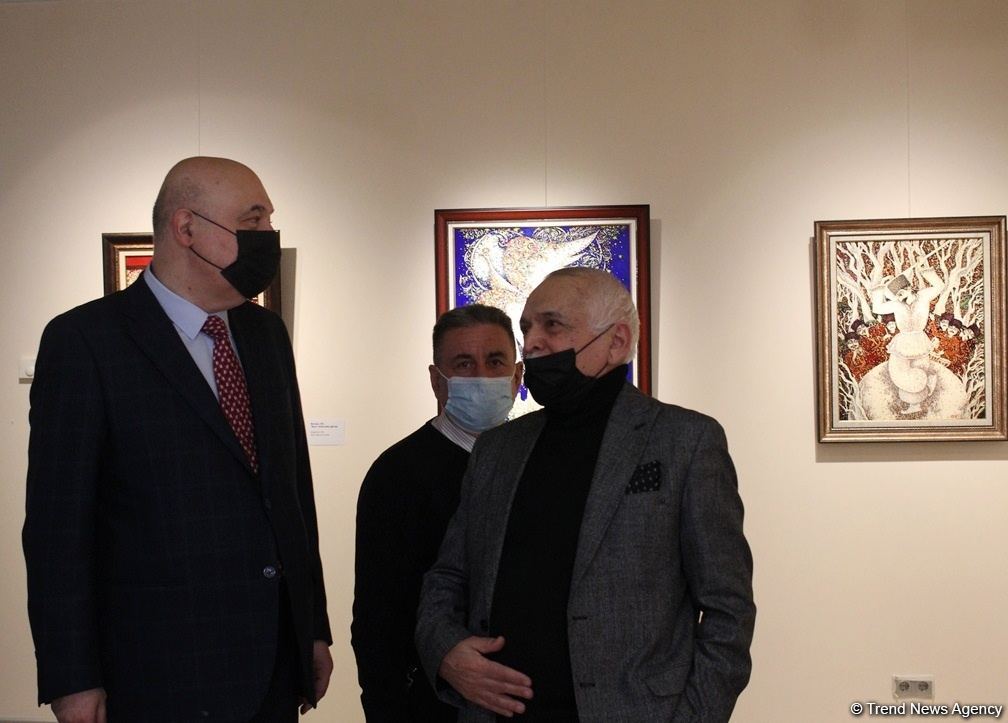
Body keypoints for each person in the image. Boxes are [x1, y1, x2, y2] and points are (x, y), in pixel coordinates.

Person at [23, 157, 333, 722]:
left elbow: (293, 494)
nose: (267, 235)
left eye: (269, 221)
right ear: (186, 228)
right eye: (253, 220)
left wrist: (311, 627)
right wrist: (73, 678)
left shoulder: (265, 334)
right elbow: (57, 532)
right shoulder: (85, 341)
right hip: (157, 673)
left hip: (272, 666)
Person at [416, 267, 755, 722]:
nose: (533, 343)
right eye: (526, 329)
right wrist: (445, 652)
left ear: (616, 341)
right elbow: (447, 577)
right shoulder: (497, 449)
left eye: (552, 325)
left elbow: (728, 610)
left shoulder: (685, 441)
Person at [352, 304, 523, 722]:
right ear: (436, 380)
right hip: (431, 704)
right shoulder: (396, 474)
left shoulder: (538, 461)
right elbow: (377, 618)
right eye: (464, 364)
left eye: (495, 362)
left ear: (518, 376)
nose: (481, 376)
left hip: (523, 697)